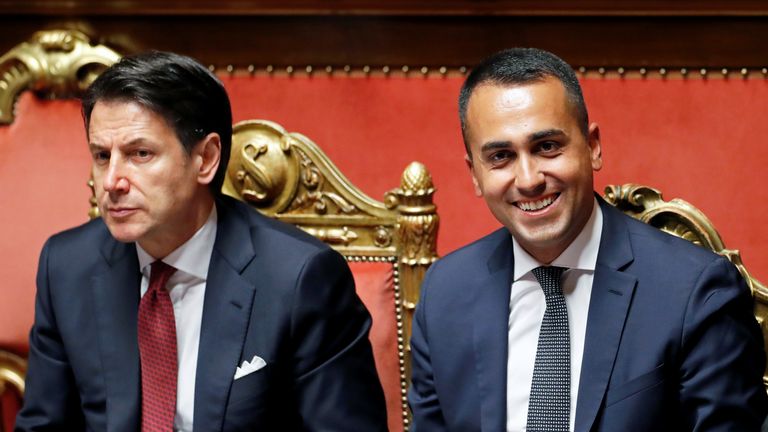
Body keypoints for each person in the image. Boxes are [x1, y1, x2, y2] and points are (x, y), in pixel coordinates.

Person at [15, 51, 387, 431]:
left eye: (139, 154)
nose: (111, 181)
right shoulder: (67, 266)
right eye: (101, 155)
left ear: (206, 159)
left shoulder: (300, 280)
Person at [408, 47, 768, 431]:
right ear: (475, 175)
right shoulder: (446, 292)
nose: (528, 179)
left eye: (547, 147)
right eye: (501, 156)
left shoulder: (696, 293)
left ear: (592, 146)